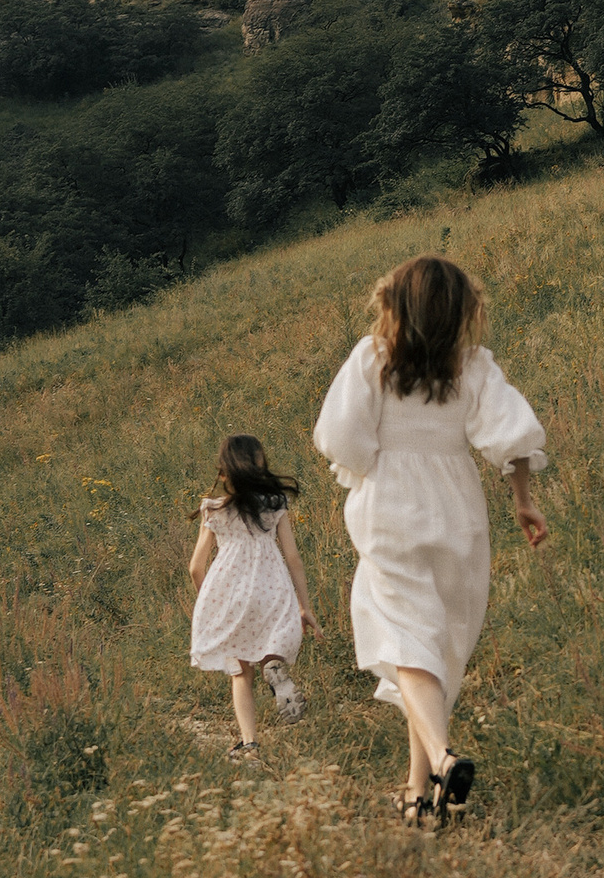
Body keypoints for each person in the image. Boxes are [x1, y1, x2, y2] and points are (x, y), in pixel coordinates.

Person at [312, 254, 547, 825]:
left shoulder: (374, 358)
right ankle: (418, 794)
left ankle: (441, 760)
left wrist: (369, 464)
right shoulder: (472, 367)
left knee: (407, 641)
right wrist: (523, 501)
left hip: (390, 508)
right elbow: (512, 435)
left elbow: (341, 437)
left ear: (396, 304)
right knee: (433, 646)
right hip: (456, 509)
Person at [186, 434, 316, 759]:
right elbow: (293, 558)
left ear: (224, 472)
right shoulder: (274, 504)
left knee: (240, 672)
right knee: (271, 642)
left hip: (230, 595)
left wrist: (209, 603)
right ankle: (273, 665)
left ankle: (250, 745)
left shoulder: (213, 509)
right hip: (271, 587)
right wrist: (305, 606)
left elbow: (195, 567)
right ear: (260, 466)